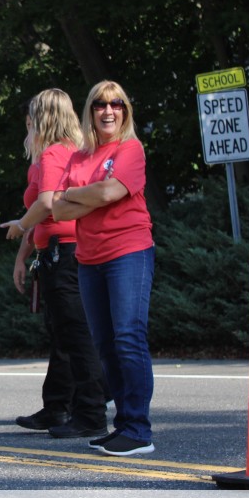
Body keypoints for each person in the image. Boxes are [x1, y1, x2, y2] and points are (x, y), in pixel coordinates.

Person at [52, 80, 155, 457]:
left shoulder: (131, 149)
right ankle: (123, 426)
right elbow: (57, 208)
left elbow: (111, 192)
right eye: (100, 104)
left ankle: (139, 430)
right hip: (88, 259)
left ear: (125, 111)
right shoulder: (80, 157)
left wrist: (78, 194)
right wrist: (94, 193)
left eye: (116, 104)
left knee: (128, 338)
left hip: (128, 252)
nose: (108, 110)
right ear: (90, 112)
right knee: (105, 345)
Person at [0, 89, 108, 439]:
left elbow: (46, 204)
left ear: (42, 117)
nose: (28, 123)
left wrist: (20, 226)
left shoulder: (53, 154)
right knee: (64, 334)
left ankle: (90, 412)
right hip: (60, 250)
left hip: (66, 253)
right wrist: (23, 254)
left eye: (32, 116)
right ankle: (59, 406)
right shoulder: (69, 152)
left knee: (75, 333)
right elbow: (43, 216)